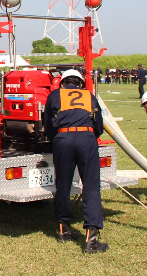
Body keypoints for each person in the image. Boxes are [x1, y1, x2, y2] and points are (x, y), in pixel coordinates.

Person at [43, 69, 108, 253]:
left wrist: (56, 138)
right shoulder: (89, 96)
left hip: (63, 139)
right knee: (91, 186)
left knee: (63, 184)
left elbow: (48, 124)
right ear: (80, 83)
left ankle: (63, 230)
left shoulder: (55, 95)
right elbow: (99, 125)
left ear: (62, 83)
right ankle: (91, 239)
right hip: (86, 139)